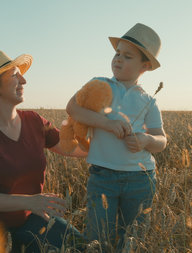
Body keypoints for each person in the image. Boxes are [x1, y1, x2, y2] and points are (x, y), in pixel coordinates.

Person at [0, 50, 86, 252]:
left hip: (29, 219)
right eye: (15, 75)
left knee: (81, 247)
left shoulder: (34, 121)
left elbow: (71, 148)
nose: (23, 80)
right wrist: (32, 202)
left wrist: (110, 140)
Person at [66, 23, 167, 251]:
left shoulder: (148, 101)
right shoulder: (98, 85)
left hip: (140, 179)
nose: (118, 59)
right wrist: (107, 123)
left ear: (146, 66)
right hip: (102, 176)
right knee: (97, 238)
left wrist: (146, 141)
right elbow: (72, 107)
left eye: (127, 56)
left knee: (132, 239)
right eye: (117, 53)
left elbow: (162, 139)